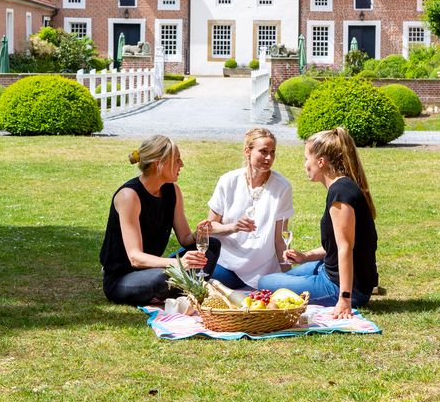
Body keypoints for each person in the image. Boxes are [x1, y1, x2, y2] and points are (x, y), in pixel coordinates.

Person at [256, 126, 377, 318]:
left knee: (264, 283)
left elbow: (345, 248)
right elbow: (337, 245)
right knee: (282, 279)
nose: (305, 165)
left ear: (321, 162)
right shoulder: (341, 186)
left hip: (341, 287)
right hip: (327, 270)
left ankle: (343, 294)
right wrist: (305, 256)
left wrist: (344, 299)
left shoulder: (340, 193)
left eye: (307, 159)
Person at [100, 135, 221, 305]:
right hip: (122, 278)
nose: (182, 164)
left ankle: (184, 289)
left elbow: (185, 239)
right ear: (159, 163)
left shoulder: (173, 191)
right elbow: (135, 258)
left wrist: (199, 235)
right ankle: (187, 288)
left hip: (153, 269)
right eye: (177, 159)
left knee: (212, 246)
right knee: (162, 277)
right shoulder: (129, 196)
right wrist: (178, 264)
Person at [203, 128, 294, 289]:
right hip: (225, 262)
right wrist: (234, 227)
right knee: (184, 264)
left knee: (194, 274)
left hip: (260, 270)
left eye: (272, 152)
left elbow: (280, 238)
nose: (269, 157)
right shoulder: (228, 181)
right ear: (247, 151)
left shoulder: (282, 187)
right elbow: (210, 227)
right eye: (263, 151)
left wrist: (288, 277)